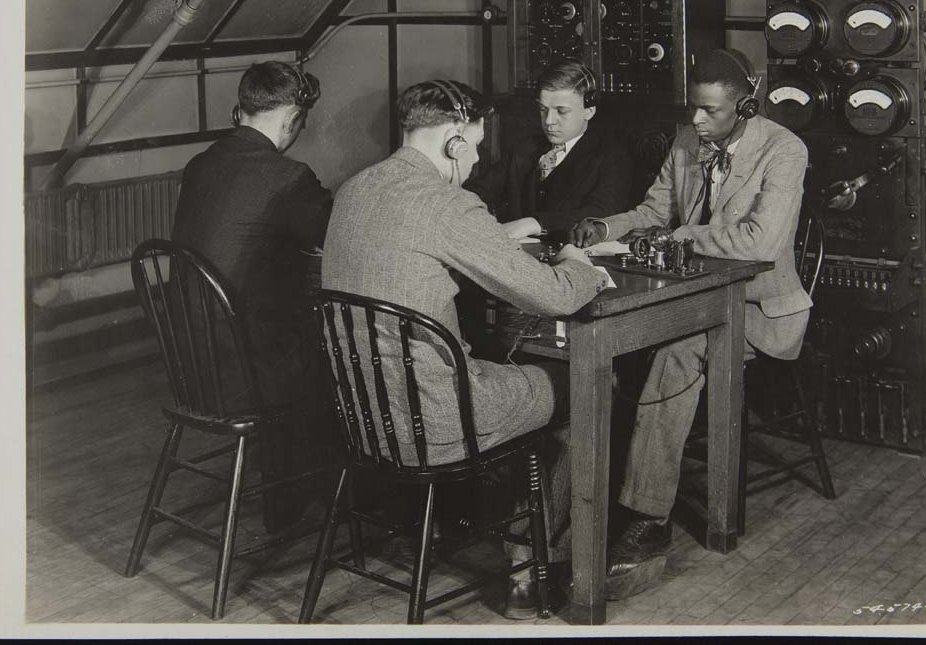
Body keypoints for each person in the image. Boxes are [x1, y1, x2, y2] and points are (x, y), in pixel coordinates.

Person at [323, 79, 610, 619]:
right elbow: (554, 295)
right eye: (475, 146)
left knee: (501, 363)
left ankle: (494, 528)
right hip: (435, 420)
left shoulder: (353, 189)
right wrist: (577, 262)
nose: (476, 161)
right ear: (454, 141)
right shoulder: (448, 204)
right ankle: (533, 568)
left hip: (367, 418)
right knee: (586, 381)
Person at [570, 48, 812, 600]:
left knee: (675, 353)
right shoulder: (686, 141)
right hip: (688, 295)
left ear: (744, 106)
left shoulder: (784, 150)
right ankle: (604, 493)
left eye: (711, 112)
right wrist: (606, 224)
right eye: (693, 109)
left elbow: (760, 243)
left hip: (756, 310)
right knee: (619, 341)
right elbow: (655, 212)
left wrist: (676, 238)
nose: (697, 121)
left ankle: (648, 520)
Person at [171, 60, 333, 531]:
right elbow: (336, 235)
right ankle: (297, 503)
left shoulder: (199, 165)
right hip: (246, 375)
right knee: (344, 359)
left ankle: (289, 480)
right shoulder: (288, 176)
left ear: (238, 111)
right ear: (289, 121)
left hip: (192, 364)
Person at [466, 59, 633, 244]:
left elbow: (603, 214)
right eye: (543, 110)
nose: (548, 121)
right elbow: (480, 190)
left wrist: (536, 223)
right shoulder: (525, 148)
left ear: (589, 111)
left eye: (561, 111)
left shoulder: (612, 156)